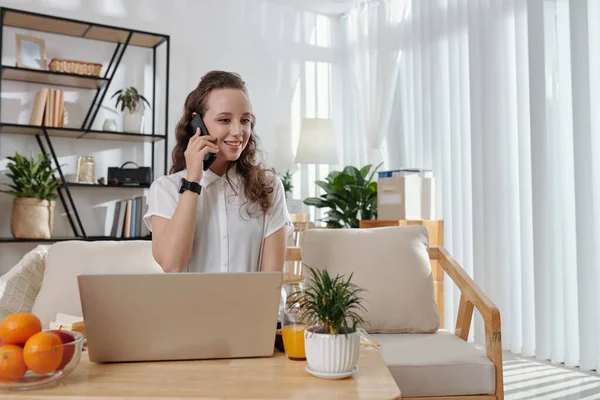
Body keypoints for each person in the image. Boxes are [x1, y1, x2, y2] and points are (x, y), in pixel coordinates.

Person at [143, 70, 293, 273]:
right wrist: (193, 182)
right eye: (224, 120)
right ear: (198, 125)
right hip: (191, 306)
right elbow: (172, 264)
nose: (238, 132)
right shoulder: (165, 189)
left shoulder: (268, 187)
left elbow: (270, 282)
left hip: (251, 305)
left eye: (245, 120)